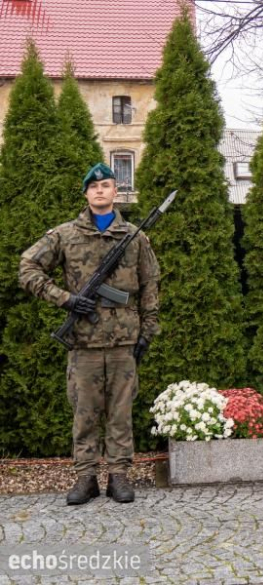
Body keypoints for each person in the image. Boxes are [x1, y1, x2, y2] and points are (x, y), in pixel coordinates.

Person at [19, 163, 160, 504]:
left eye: (106, 185)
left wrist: (148, 330)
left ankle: (119, 476)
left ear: (116, 192)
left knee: (121, 413)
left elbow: (150, 284)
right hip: (83, 342)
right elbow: (28, 267)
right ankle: (86, 478)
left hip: (123, 342)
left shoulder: (135, 237)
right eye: (93, 186)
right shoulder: (65, 235)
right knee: (84, 414)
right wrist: (65, 299)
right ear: (85, 193)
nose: (99, 190)